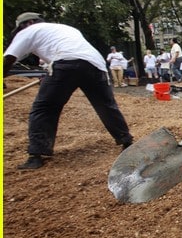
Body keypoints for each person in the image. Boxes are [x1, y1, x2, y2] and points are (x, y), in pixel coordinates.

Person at [3, 12, 134, 170]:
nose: (19, 33)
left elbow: (9, 58)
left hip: (66, 63)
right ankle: (126, 140)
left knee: (44, 108)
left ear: (29, 22)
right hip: (95, 65)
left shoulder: (30, 30)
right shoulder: (64, 29)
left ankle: (36, 155)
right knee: (106, 105)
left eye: (20, 29)